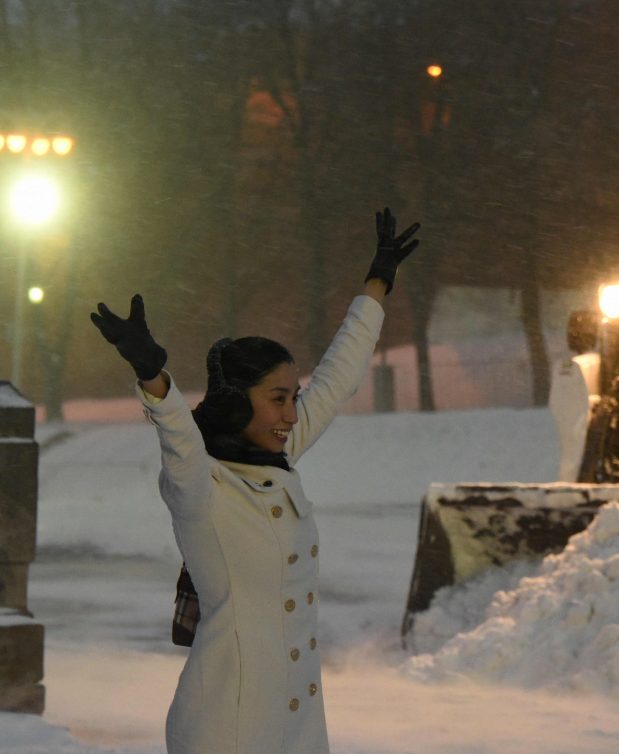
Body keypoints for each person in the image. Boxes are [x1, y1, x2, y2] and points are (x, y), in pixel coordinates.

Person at [90, 208, 420, 754]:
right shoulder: (202, 486)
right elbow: (177, 438)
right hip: (227, 726)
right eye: (277, 398)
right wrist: (153, 377)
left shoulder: (276, 460)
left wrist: (376, 287)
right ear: (237, 401)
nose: (293, 413)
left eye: (294, 397)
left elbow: (338, 378)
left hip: (297, 727)